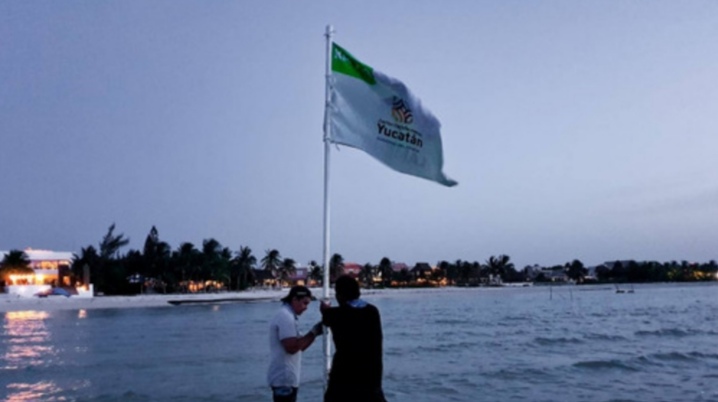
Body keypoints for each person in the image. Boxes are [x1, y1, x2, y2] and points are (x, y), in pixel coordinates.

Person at [320, 275, 387, 402]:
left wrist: (325, 310)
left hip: (345, 378)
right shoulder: (372, 312)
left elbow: (329, 317)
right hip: (371, 377)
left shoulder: (336, 315)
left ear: (339, 295)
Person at [267, 285, 323, 402]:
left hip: (286, 380)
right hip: (284, 380)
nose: (306, 308)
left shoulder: (288, 316)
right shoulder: (285, 317)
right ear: (294, 299)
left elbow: (299, 347)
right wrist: (313, 332)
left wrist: (314, 333)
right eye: (304, 303)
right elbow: (292, 347)